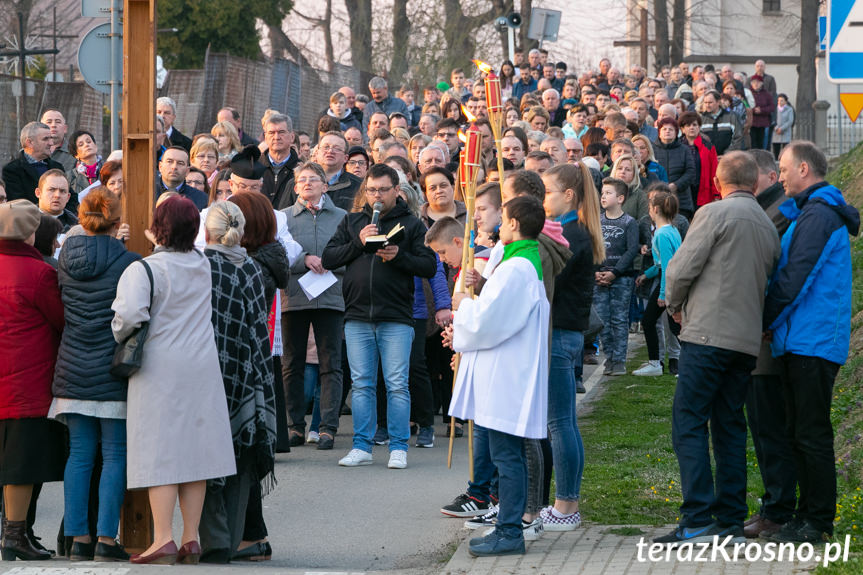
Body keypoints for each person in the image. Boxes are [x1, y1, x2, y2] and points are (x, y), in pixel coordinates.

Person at [657, 151, 781, 546]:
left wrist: (674, 305)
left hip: (707, 334)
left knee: (689, 422)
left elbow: (680, 268)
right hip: (745, 342)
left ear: (717, 183)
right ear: (754, 182)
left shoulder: (713, 214)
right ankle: (730, 519)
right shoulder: (767, 224)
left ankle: (696, 517)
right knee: (730, 427)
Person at [111, 197, 236, 564]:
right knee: (195, 450)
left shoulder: (144, 269)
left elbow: (128, 318)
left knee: (161, 450)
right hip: (202, 364)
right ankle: (190, 537)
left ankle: (162, 537)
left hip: (159, 367)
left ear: (159, 227)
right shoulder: (204, 264)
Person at [761, 141, 860, 543]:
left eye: (783, 168)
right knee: (800, 431)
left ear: (804, 168)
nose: (779, 176)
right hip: (801, 339)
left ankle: (818, 520)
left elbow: (794, 279)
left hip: (813, 341)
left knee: (811, 433)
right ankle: (805, 515)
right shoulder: (809, 211)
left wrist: (764, 320)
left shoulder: (819, 215)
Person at [447, 195, 551, 557]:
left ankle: (509, 531)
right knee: (506, 454)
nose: (498, 225)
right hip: (506, 369)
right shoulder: (516, 261)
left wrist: (463, 307)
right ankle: (506, 527)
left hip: (507, 375)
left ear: (515, 225)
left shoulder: (518, 267)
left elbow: (491, 321)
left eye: (503, 220)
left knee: (508, 457)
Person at [321, 164, 437, 470]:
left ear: (396, 191)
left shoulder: (411, 224)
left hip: (396, 316)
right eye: (371, 190)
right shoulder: (353, 221)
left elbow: (429, 266)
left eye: (383, 190)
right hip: (358, 315)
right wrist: (359, 242)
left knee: (397, 383)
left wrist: (398, 256)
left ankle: (399, 447)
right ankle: (362, 446)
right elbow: (329, 258)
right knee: (361, 383)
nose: (376, 196)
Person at [49, 187, 139, 562]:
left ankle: (77, 538)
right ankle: (106, 537)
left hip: (71, 365)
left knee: (80, 455)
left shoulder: (65, 257)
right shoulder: (129, 261)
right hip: (110, 368)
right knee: (116, 454)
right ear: (117, 223)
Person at [199, 201, 276, 564]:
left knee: (208, 457)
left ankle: (217, 540)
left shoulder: (200, 267)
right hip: (247, 376)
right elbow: (259, 331)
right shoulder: (251, 270)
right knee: (241, 454)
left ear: (207, 232)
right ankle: (240, 538)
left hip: (206, 373)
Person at [539, 163, 605, 529]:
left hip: (560, 332)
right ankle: (566, 502)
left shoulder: (572, 234)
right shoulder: (572, 231)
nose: (542, 199)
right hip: (563, 332)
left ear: (568, 195)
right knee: (563, 422)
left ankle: (566, 505)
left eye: (547, 192)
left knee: (559, 423)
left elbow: (549, 280)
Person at [0, 199, 66, 562]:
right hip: (28, 381)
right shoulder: (39, 273)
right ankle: (15, 535)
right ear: (30, 234)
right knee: (22, 465)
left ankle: (16, 534)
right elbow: (60, 320)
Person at [225, 188, 287, 562]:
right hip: (254, 360)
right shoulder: (264, 258)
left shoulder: (253, 266)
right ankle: (252, 534)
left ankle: (250, 535)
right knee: (243, 452)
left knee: (243, 453)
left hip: (244, 364)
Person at [741, 149, 794, 539]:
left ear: (771, 176)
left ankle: (778, 509)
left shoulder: (777, 212)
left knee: (769, 426)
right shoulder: (766, 209)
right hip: (760, 332)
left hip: (768, 336)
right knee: (763, 425)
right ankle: (774, 505)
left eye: (749, 176)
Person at [281, 162, 346, 451]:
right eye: (302, 180)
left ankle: (327, 428)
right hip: (294, 298)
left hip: (331, 297)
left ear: (325, 185)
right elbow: (278, 255)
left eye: (313, 179)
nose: (307, 183)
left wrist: (329, 261)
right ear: (295, 188)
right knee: (291, 364)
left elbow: (350, 253)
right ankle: (294, 426)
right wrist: (304, 258)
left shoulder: (343, 217)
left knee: (331, 363)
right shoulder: (283, 218)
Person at [633, 191, 682, 376]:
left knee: (649, 320)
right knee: (676, 325)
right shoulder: (673, 230)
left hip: (668, 284)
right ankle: (681, 364)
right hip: (671, 282)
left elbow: (668, 267)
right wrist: (646, 274)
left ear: (655, 209)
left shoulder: (661, 235)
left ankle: (655, 364)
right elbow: (661, 264)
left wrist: (663, 294)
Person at [594, 177, 639, 376]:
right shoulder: (596, 220)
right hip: (599, 276)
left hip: (621, 278)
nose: (603, 197)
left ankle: (619, 360)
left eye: (608, 193)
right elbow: (592, 247)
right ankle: (609, 358)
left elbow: (631, 251)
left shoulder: (629, 223)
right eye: (602, 193)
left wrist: (615, 272)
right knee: (602, 320)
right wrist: (596, 270)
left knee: (619, 320)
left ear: (620, 198)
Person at [3, 122, 63, 205]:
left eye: (51, 138)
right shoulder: (12, 170)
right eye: (45, 139)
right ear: (29, 142)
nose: (51, 143)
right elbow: (17, 203)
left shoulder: (57, 167)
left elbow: (71, 198)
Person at [652, 117, 696, 219]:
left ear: (676, 133)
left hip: (681, 200)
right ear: (659, 132)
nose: (667, 131)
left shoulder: (684, 149)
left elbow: (691, 172)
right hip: (657, 198)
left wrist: (676, 185)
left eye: (671, 129)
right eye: (664, 129)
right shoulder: (652, 150)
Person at [678, 112, 719, 210]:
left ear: (699, 127)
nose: (691, 128)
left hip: (703, 192)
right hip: (682, 191)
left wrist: (716, 194)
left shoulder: (709, 147)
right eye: (688, 125)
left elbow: (714, 172)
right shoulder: (676, 146)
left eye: (694, 125)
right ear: (682, 129)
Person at [260, 113, 300, 208]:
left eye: (281, 132)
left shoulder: (302, 169)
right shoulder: (254, 168)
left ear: (292, 137)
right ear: (265, 137)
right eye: (271, 133)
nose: (276, 137)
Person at [68, 130, 103, 199]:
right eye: (81, 145)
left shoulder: (108, 169)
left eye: (89, 141)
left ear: (95, 146)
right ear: (76, 155)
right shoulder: (70, 177)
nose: (86, 145)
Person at [748, 76, 775, 150]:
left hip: (763, 123)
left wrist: (762, 110)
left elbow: (772, 107)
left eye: (758, 82)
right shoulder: (748, 93)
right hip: (751, 123)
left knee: (762, 144)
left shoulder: (766, 94)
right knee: (752, 143)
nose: (756, 84)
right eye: (754, 82)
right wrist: (753, 110)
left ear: (762, 83)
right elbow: (744, 105)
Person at [772, 94, 794, 159]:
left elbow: (790, 121)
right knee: (776, 150)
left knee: (785, 150)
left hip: (785, 132)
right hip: (776, 133)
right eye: (778, 100)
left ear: (785, 101)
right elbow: (772, 119)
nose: (779, 102)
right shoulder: (774, 109)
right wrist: (776, 128)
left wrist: (781, 129)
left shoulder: (789, 109)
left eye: (782, 100)